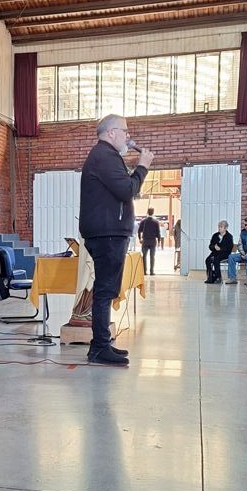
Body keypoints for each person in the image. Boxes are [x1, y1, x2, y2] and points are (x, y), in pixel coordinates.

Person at [78, 114, 154, 365]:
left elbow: (122, 188)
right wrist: (142, 166)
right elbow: (127, 190)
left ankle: (100, 344)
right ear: (111, 132)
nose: (128, 136)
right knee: (104, 291)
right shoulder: (105, 156)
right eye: (125, 131)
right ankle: (100, 348)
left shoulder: (106, 156)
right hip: (107, 233)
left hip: (108, 231)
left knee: (106, 289)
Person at [137, 207, 160, 276]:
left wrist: (140, 239)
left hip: (145, 241)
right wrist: (159, 241)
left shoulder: (143, 221)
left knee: (144, 256)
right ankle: (151, 272)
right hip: (153, 241)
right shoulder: (156, 222)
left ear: (147, 212)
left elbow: (139, 231)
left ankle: (144, 271)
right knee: (152, 256)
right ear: (153, 212)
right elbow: (158, 232)